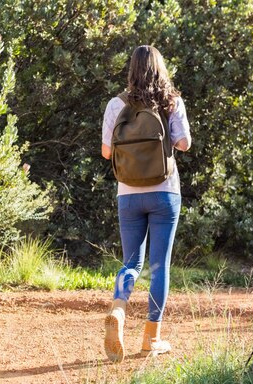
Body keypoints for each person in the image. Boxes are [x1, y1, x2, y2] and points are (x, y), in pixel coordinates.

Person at [101, 45, 191, 362]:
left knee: (132, 263)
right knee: (158, 266)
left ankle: (119, 310)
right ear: (160, 70)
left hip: (128, 194)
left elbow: (107, 153)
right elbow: (184, 143)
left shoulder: (117, 104)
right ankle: (150, 339)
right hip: (165, 192)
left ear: (132, 71)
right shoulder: (171, 102)